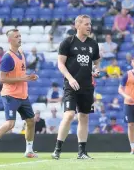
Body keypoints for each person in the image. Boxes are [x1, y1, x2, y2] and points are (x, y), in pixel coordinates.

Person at [52, 15, 100, 159]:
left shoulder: (93, 44)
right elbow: (60, 64)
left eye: (90, 24)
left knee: (84, 117)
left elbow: (97, 62)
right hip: (71, 85)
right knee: (69, 115)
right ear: (77, 25)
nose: (89, 26)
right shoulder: (67, 42)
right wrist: (70, 78)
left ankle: (82, 152)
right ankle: (57, 149)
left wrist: (96, 70)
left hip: (87, 87)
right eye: (86, 24)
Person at [0, 29, 39, 159]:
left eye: (20, 36)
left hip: (23, 95)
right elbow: (2, 79)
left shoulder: (21, 53)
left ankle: (29, 150)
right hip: (10, 95)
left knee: (30, 121)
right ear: (10, 40)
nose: (19, 38)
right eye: (16, 36)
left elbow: (20, 73)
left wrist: (29, 77)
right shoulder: (7, 57)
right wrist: (25, 79)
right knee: (10, 124)